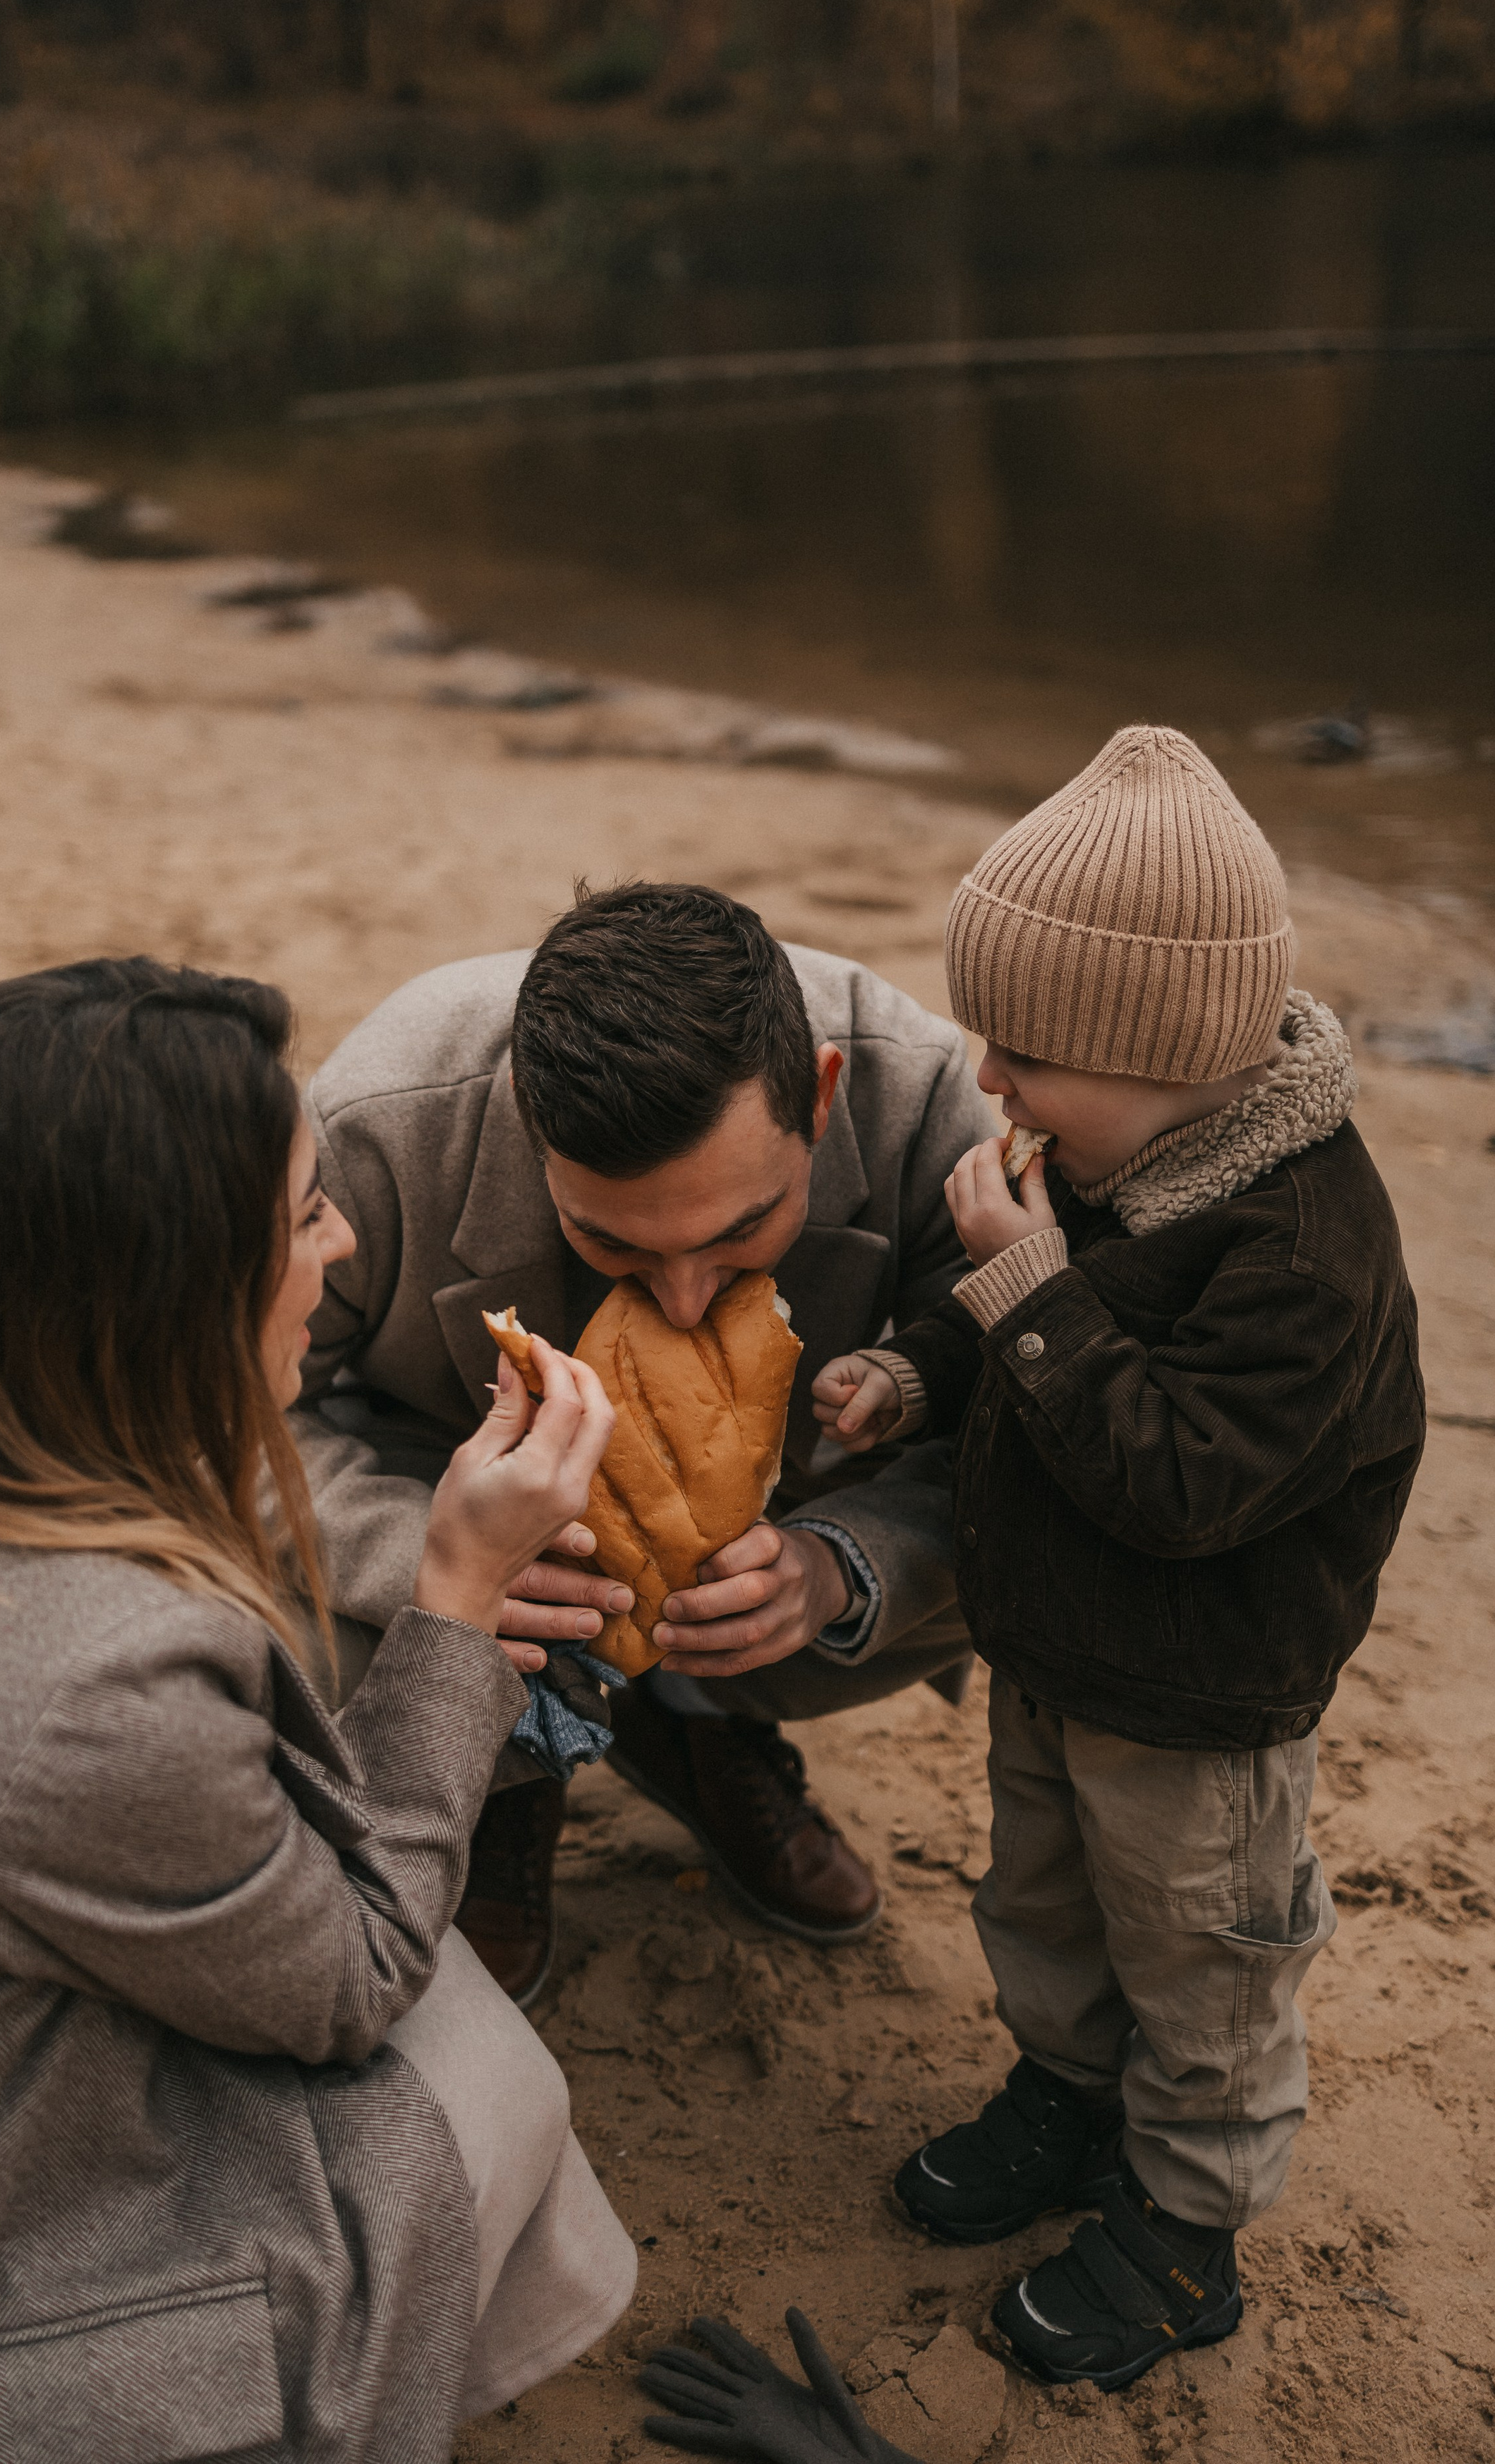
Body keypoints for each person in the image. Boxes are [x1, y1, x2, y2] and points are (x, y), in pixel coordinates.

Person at [0, 958, 636, 2464]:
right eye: (309, 1211)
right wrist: (458, 1591)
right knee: (465, 2069)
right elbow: (354, 1974)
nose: (335, 1253)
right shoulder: (94, 1683)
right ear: (178, 1287)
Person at [813, 725, 1425, 2391]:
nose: (988, 1081)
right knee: (1044, 1900)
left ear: (1159, 1051)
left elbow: (1180, 1485)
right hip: (1058, 1648)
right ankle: (1069, 2098)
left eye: (1021, 1052)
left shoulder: (1301, 1248)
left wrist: (1023, 1296)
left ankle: (1183, 2227)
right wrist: (922, 1363)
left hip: (1201, 1688)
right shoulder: (1103, 1160)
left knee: (1203, 1953)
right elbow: (995, 1313)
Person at [294, 882, 990, 2001]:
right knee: (266, 1590)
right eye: (606, 1239)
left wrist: (838, 1568)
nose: (680, 1299)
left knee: (1044, 1538)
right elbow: (220, 1421)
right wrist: (430, 1562)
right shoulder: (377, 1125)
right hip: (432, 1488)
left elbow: (1027, 1414)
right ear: (530, 1121)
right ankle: (509, 1773)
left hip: (773, 1522)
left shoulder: (922, 1095)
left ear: (823, 1096)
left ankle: (701, 1723)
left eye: (741, 1231)